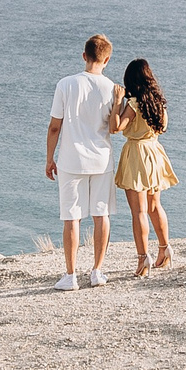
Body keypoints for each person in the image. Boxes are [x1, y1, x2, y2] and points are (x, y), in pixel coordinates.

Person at [45, 34, 122, 291]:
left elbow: (55, 127)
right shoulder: (112, 88)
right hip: (101, 160)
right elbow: (113, 128)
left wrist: (49, 158)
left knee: (72, 218)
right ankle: (97, 272)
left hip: (70, 160)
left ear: (84, 55)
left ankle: (70, 276)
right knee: (101, 215)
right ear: (107, 59)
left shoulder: (65, 84)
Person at [106, 57, 178, 276]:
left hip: (137, 154)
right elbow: (163, 128)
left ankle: (142, 258)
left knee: (139, 211)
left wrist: (118, 101)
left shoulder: (135, 104)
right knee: (155, 206)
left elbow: (115, 127)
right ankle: (165, 249)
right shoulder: (159, 103)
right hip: (155, 153)